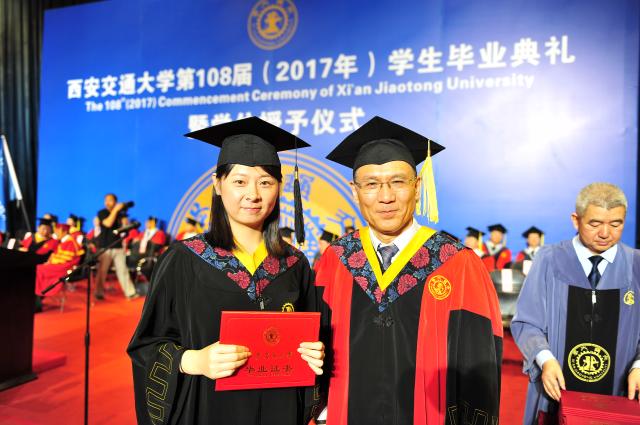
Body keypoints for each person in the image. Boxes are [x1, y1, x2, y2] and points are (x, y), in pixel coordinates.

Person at [128, 117, 325, 425]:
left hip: (279, 410)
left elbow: (315, 339)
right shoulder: (184, 259)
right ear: (218, 184)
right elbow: (146, 345)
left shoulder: (294, 264)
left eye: (265, 182)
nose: (253, 194)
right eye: (240, 181)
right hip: (208, 409)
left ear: (279, 187)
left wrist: (316, 353)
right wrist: (193, 360)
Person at [315, 116, 503, 424]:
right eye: (371, 184)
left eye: (398, 182)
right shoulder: (336, 261)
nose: (386, 197)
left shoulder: (457, 262)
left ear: (417, 188)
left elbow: (478, 365)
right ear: (355, 191)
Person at [511, 183, 640, 425]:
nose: (605, 233)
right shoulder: (549, 260)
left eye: (616, 224)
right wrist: (544, 359)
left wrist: (639, 366)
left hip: (619, 394)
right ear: (575, 220)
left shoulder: (636, 266)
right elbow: (527, 322)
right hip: (555, 390)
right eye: (595, 224)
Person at [94, 193, 137, 300]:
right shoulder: (102, 212)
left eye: (110, 200)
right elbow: (108, 223)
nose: (107, 202)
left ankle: (130, 293)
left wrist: (124, 216)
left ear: (115, 202)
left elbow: (125, 226)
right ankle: (99, 293)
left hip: (118, 245)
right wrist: (116, 210)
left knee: (123, 270)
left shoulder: (120, 213)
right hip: (105, 247)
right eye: (106, 200)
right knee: (102, 271)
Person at [34, 223, 84, 298]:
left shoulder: (70, 242)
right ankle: (39, 292)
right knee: (39, 267)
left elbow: (66, 259)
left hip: (67, 267)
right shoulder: (63, 241)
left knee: (39, 268)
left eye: (58, 231)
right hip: (60, 264)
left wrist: (51, 262)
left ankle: (40, 293)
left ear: (64, 232)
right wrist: (49, 261)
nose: (56, 233)